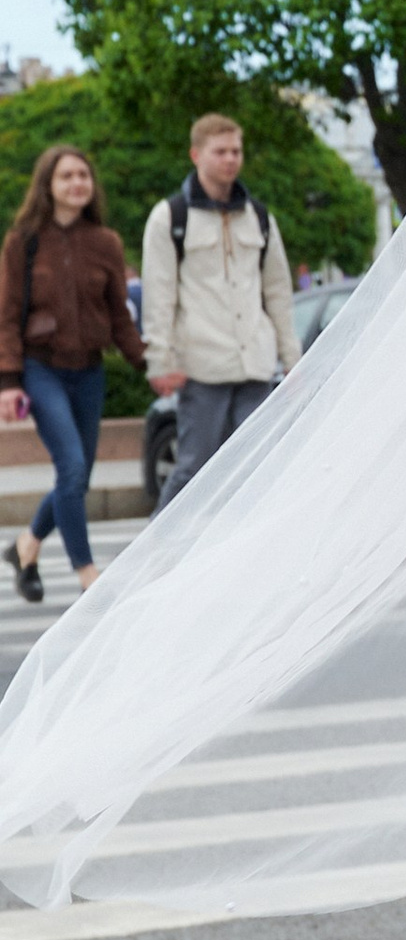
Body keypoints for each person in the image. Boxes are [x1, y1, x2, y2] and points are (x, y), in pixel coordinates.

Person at [0, 146, 147, 605]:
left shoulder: (106, 242)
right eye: (66, 176)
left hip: (89, 371)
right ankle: (88, 576)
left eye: (83, 175)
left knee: (76, 479)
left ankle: (26, 546)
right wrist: (8, 383)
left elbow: (120, 316)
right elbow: (7, 316)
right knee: (72, 467)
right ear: (48, 184)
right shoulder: (23, 241)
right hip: (41, 368)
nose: (77, 183)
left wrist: (148, 364)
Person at [140, 115, 296, 504]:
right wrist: (160, 361)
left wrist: (293, 358)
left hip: (255, 363)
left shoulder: (259, 217)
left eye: (236, 151)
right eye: (220, 151)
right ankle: (161, 542)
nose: (230, 159)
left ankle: (249, 544)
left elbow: (277, 290)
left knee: (260, 466)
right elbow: (159, 294)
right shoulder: (170, 217)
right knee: (194, 468)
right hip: (202, 365)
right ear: (196, 155)